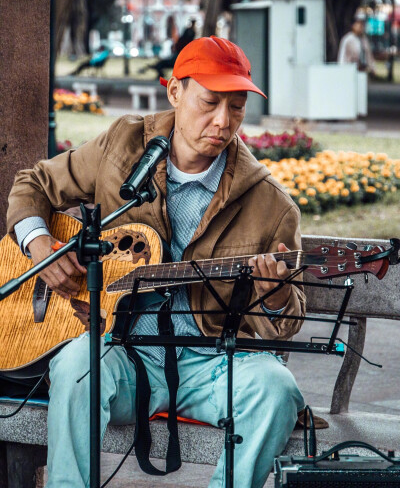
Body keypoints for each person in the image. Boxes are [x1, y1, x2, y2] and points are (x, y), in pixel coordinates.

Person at [7, 36, 305, 488]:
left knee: (277, 389)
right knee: (74, 366)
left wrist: (278, 295)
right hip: (125, 352)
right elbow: (35, 183)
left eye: (237, 107)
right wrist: (41, 247)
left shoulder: (271, 205)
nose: (223, 121)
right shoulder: (124, 146)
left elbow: (288, 320)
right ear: (175, 92)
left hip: (213, 365)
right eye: (209, 102)